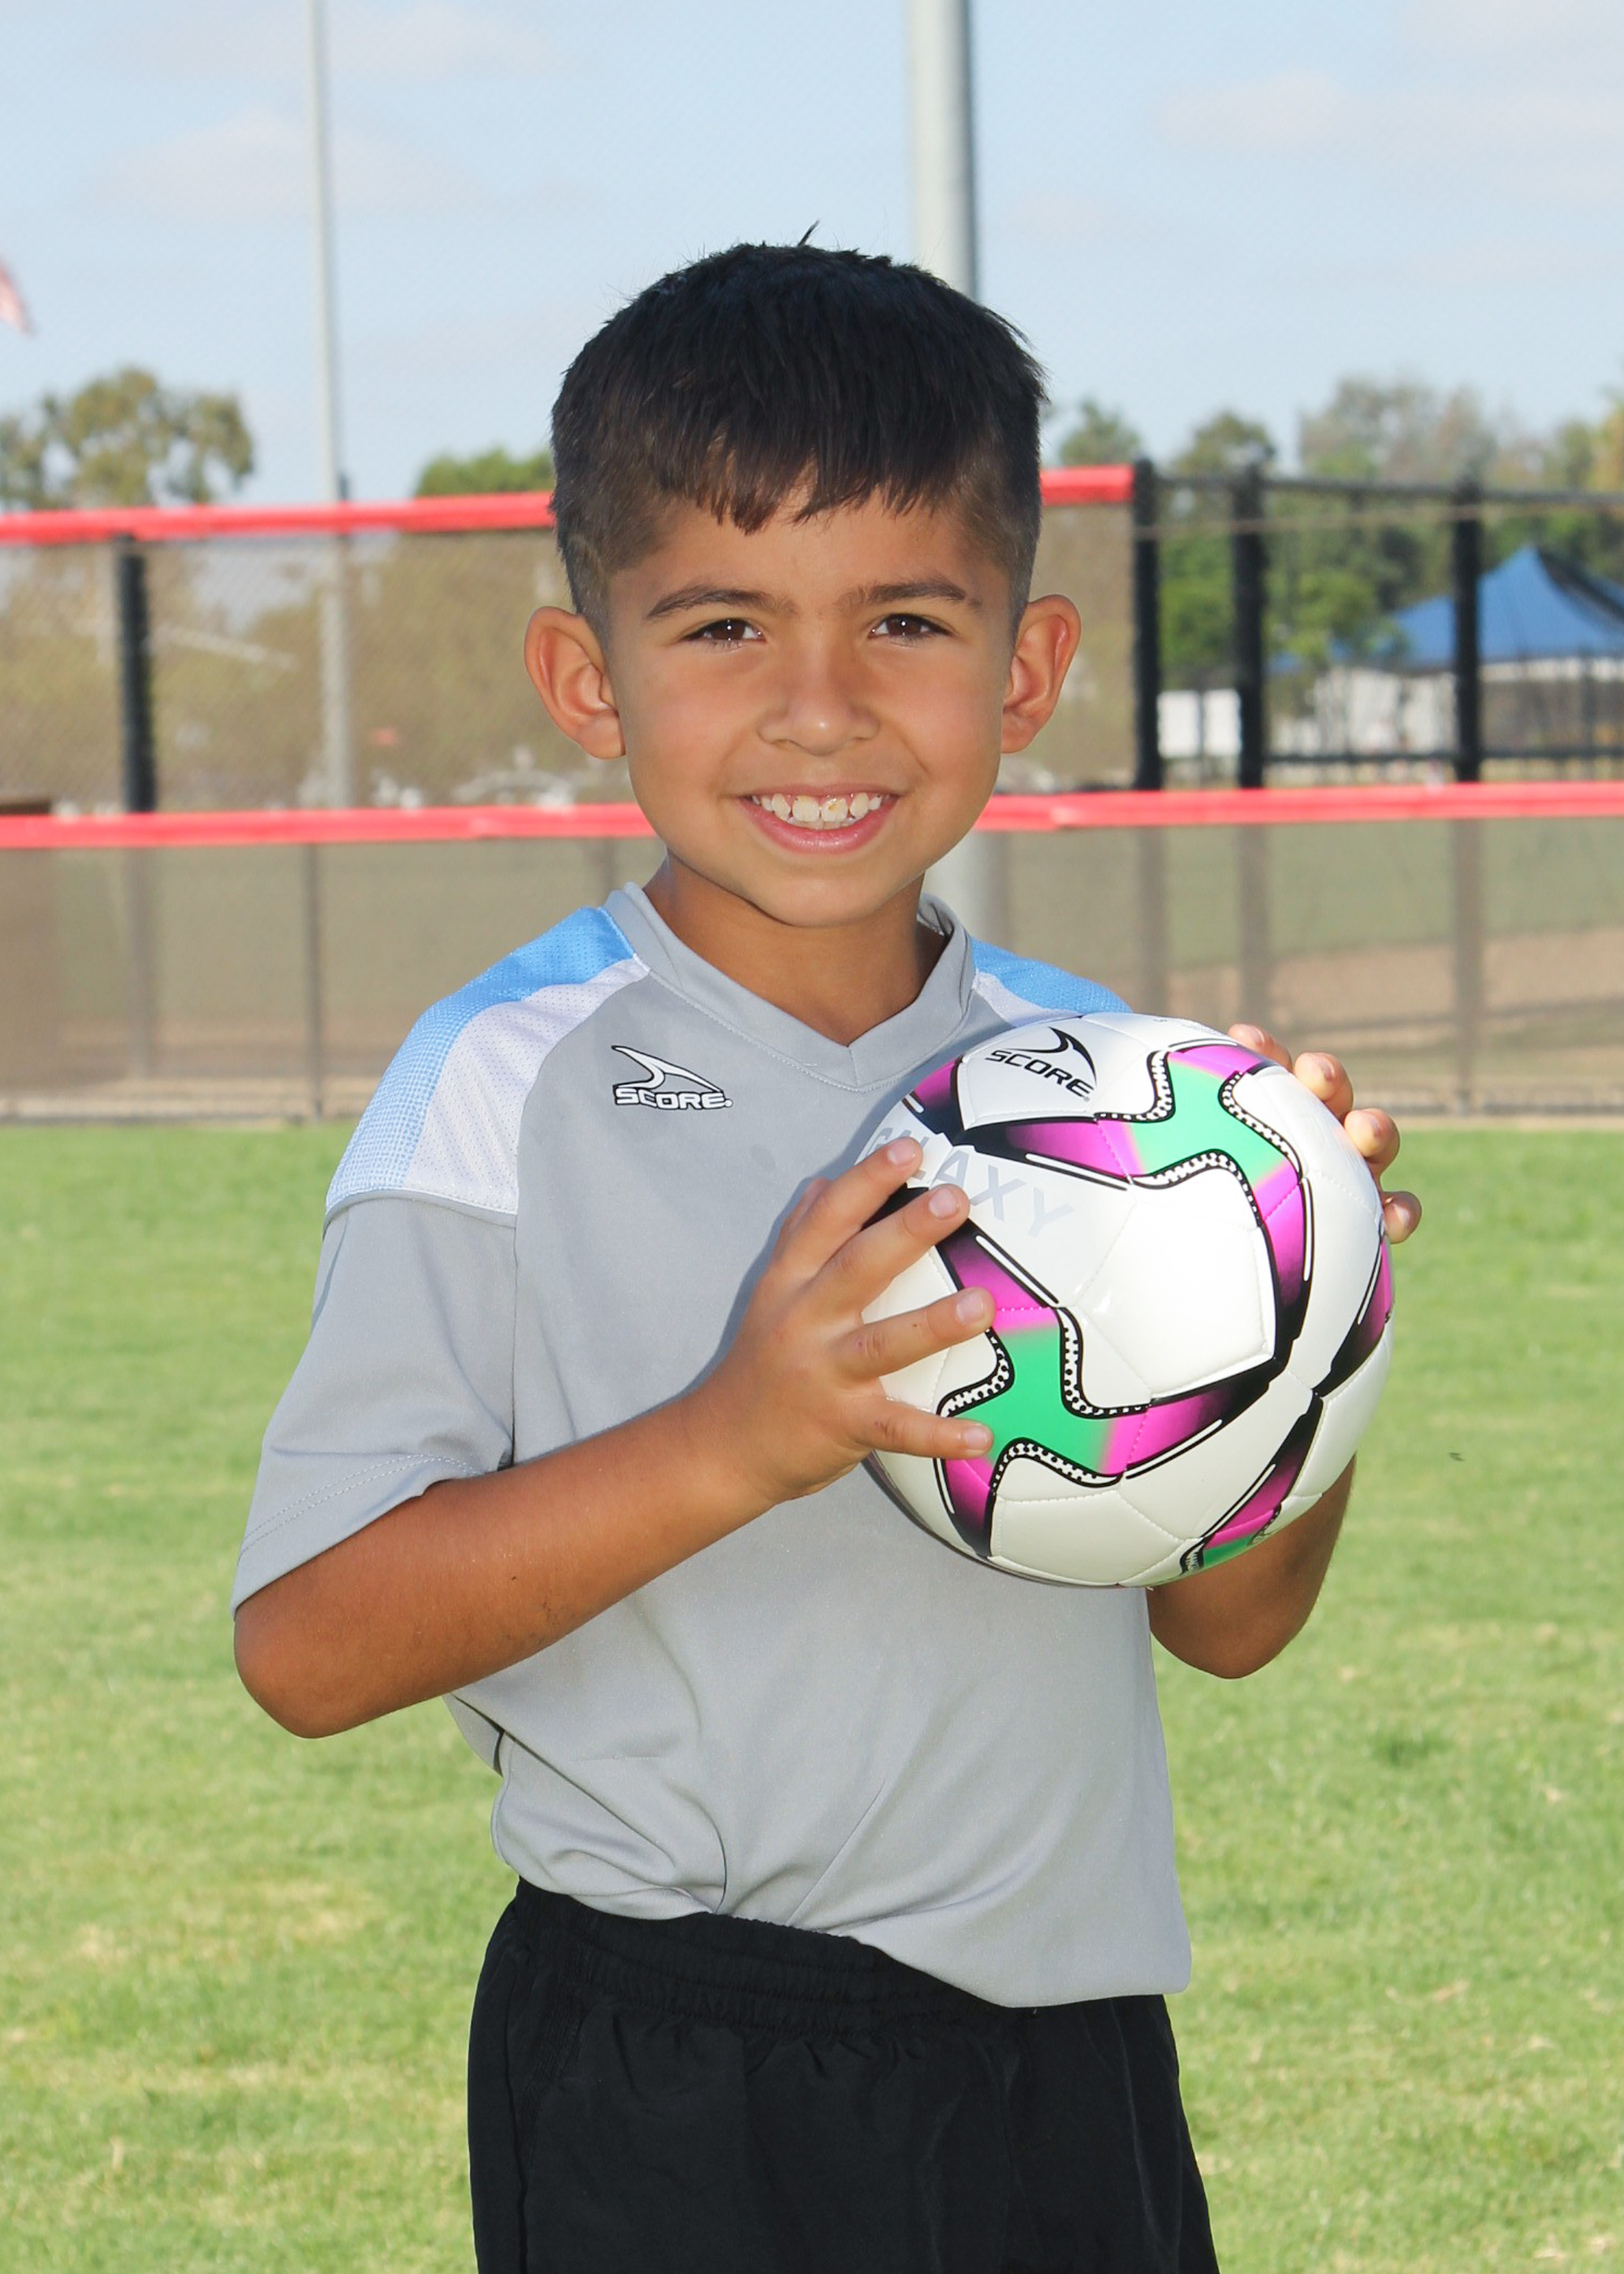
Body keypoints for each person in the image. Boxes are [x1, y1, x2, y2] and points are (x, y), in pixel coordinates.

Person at [232, 243, 1419, 2274]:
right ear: (587, 679)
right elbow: (308, 1646)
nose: (820, 704)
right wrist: (734, 1438)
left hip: (1063, 2059)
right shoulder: (502, 1083)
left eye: (905, 620)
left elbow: (1227, 1628)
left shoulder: (1114, 1093)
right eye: (723, 622)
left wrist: (1302, 1325)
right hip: (676, 2056)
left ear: (1024, 670)